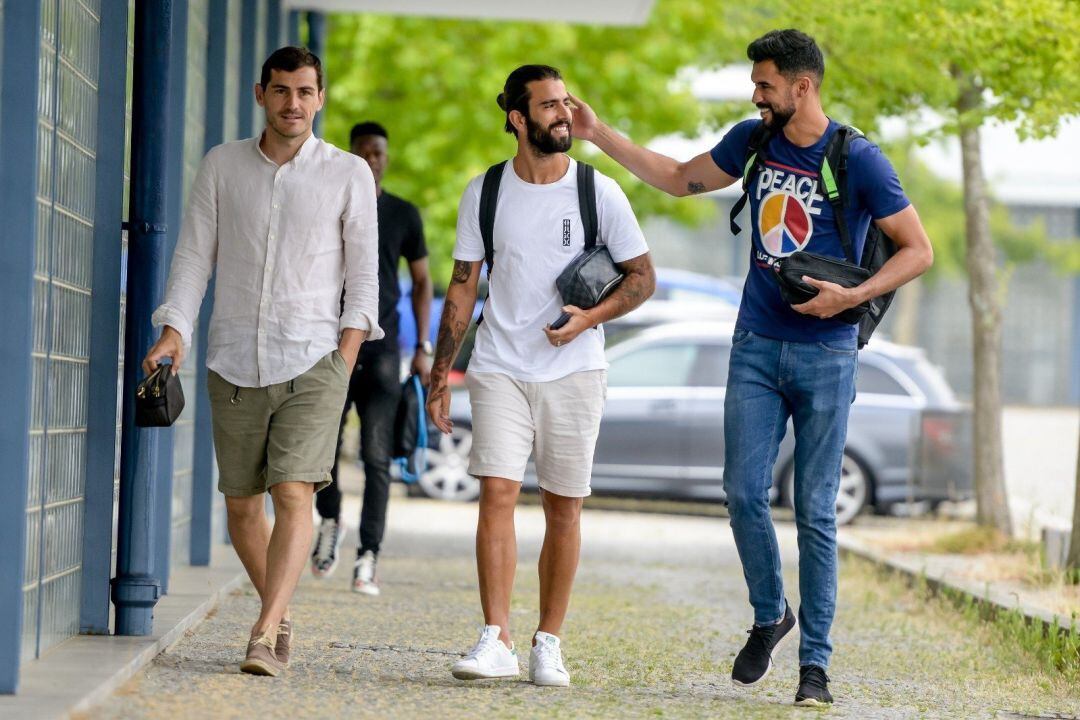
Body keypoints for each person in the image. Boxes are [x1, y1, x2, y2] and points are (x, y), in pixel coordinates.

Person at [568, 29, 933, 706]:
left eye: (766, 85)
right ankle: (772, 614)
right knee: (741, 493)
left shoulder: (860, 159)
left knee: (817, 511)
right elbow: (679, 179)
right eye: (755, 86)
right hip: (756, 344)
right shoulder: (755, 139)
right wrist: (598, 134)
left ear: (804, 86)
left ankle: (814, 669)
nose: (757, 96)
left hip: (827, 352)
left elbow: (918, 250)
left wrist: (850, 298)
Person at [143, 47, 381, 677]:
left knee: (293, 490)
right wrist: (175, 332)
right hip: (232, 357)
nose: (293, 104)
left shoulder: (348, 172)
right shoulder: (222, 165)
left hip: (314, 358)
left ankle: (265, 628)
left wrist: (346, 353)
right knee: (243, 504)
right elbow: (194, 257)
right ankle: (279, 611)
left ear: (321, 98)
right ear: (260, 94)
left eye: (305, 92)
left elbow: (364, 276)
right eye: (281, 91)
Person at [427, 64, 655, 688]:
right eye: (550, 106)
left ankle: (547, 641)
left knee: (564, 504)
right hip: (500, 363)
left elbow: (642, 278)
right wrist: (439, 372)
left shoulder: (597, 192)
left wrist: (590, 319)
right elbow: (463, 285)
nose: (565, 115)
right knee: (496, 492)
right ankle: (495, 637)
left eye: (566, 103)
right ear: (517, 118)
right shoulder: (486, 191)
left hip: (575, 370)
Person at [310, 121, 433, 595]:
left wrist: (423, 348)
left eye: (378, 152)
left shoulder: (403, 213)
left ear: (386, 157)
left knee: (376, 455)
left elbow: (423, 282)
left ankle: (369, 555)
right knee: (322, 449)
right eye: (363, 151)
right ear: (352, 156)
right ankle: (330, 521)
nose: (371, 158)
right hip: (330, 345)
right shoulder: (330, 204)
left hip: (383, 349)